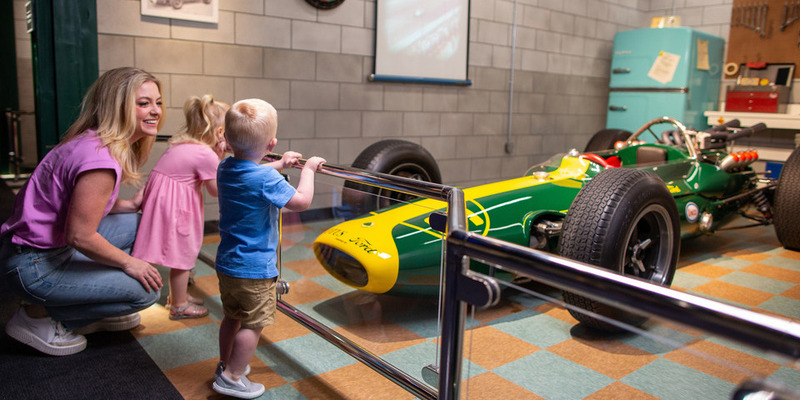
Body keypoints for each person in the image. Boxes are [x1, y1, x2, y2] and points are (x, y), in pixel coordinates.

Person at [0, 67, 164, 356]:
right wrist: (129, 263)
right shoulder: (99, 160)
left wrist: (127, 205)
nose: (155, 111)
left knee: (139, 224)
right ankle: (40, 318)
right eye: (143, 103)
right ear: (119, 106)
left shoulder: (92, 141)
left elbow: (78, 204)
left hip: (35, 251)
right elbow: (80, 236)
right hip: (34, 267)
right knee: (146, 291)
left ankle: (94, 305)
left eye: (158, 102)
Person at [212, 98, 325, 399]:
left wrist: (280, 163)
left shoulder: (225, 168)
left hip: (227, 264)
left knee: (231, 317)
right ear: (271, 142)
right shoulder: (266, 178)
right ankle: (234, 377)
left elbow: (252, 172)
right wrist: (309, 170)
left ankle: (225, 365)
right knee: (255, 323)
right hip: (255, 269)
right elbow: (300, 201)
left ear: (227, 138)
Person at [132, 94, 229, 320]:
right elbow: (216, 190)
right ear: (220, 133)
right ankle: (179, 304)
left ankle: (179, 295)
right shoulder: (205, 153)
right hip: (177, 208)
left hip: (168, 204)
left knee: (180, 254)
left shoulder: (184, 145)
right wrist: (222, 159)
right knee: (181, 256)